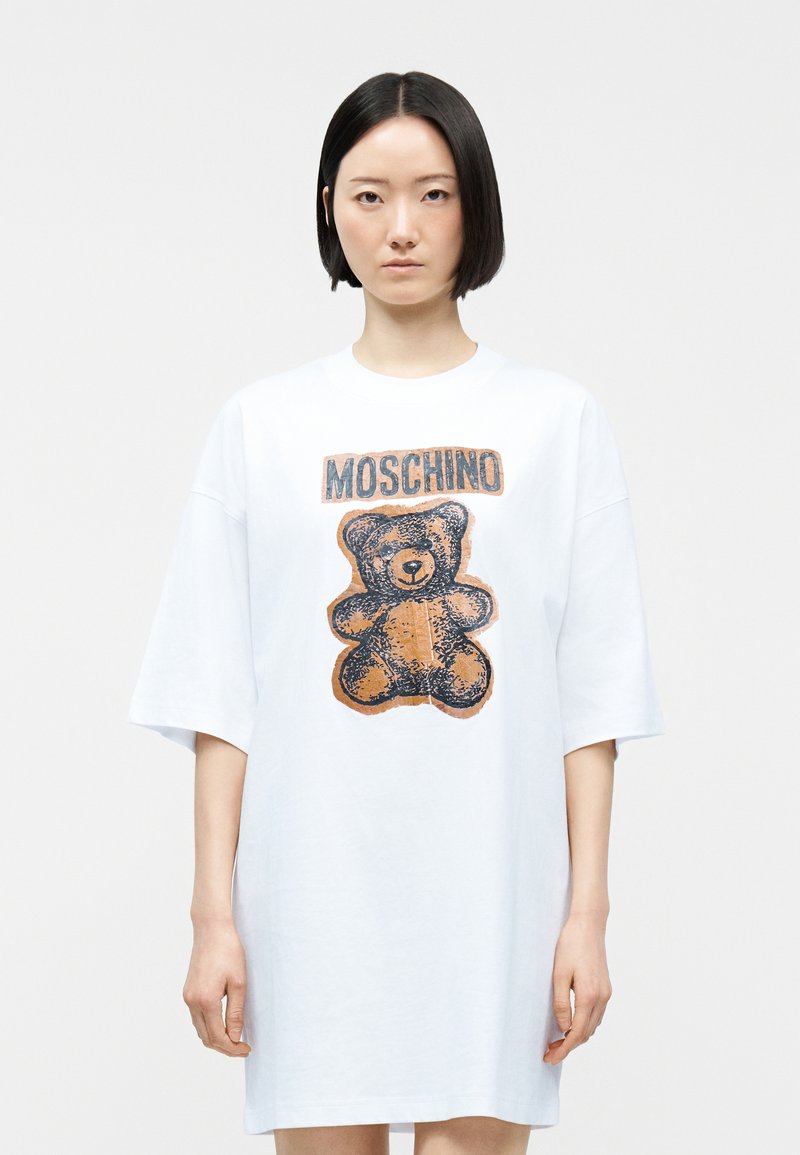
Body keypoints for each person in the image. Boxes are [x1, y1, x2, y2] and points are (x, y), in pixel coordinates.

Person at [128, 70, 665, 1155]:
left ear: (475, 206)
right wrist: (212, 916)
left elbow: (592, 698)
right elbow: (219, 695)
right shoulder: (262, 426)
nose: (401, 228)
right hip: (311, 897)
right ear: (329, 207)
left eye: (433, 193)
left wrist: (587, 913)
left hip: (494, 897)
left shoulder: (556, 422)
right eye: (368, 196)